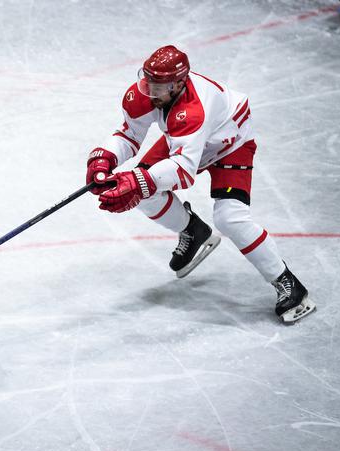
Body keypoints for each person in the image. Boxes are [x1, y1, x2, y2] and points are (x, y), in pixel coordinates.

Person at [85, 45, 315, 324]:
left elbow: (183, 171)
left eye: (158, 86)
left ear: (180, 83)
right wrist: (104, 159)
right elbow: (129, 133)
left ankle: (287, 282)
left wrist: (138, 180)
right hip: (188, 139)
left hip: (230, 143)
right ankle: (193, 232)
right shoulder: (147, 92)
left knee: (230, 219)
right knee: (144, 192)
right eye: (148, 82)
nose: (150, 91)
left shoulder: (194, 110)